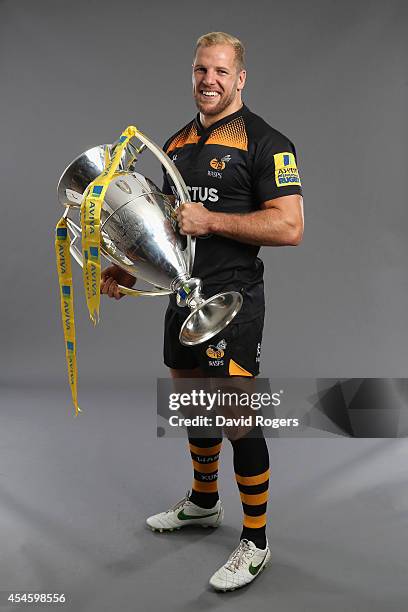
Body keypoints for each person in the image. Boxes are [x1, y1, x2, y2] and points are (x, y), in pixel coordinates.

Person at [101, 31, 304, 592]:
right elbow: (165, 231)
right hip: (181, 295)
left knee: (236, 416)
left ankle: (256, 541)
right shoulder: (176, 145)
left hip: (233, 298)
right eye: (199, 71)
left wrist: (213, 221)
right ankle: (204, 503)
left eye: (220, 71)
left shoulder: (267, 142)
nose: (208, 81)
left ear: (240, 78)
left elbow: (290, 226)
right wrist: (126, 267)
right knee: (192, 400)